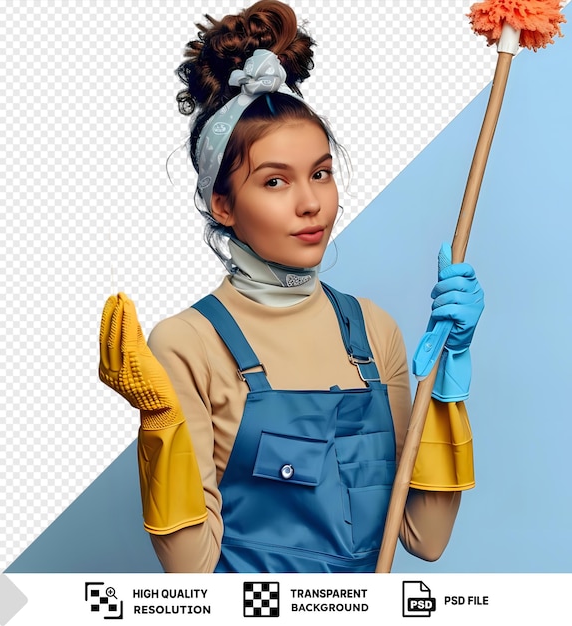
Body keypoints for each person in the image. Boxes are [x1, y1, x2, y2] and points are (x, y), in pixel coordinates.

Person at [99, 0, 484, 573]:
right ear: (222, 204)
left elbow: (424, 539)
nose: (311, 203)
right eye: (275, 181)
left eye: (321, 173)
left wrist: (449, 384)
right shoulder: (188, 343)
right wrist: (162, 425)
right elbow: (190, 572)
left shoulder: (373, 331)